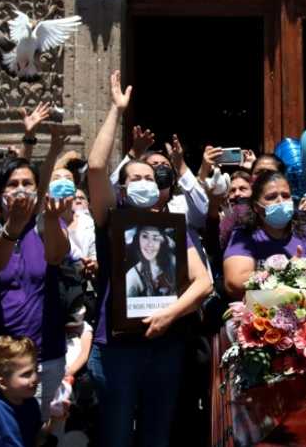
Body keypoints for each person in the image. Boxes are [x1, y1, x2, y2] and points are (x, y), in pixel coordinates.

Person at [85, 71, 214, 446]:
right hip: (118, 349)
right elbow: (95, 168)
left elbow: (203, 282)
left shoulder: (174, 228)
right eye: (134, 177)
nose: (143, 181)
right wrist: (116, 110)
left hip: (165, 345)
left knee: (158, 437)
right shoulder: (111, 220)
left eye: (149, 177)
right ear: (122, 187)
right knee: (117, 436)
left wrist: (170, 314)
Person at [0, 154, 71, 418]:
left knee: (41, 430)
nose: (21, 189)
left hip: (44, 355)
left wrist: (54, 219)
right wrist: (13, 228)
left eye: (27, 183)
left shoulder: (47, 226)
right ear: (0, 193)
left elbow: (56, 256)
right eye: (13, 184)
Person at [222, 170, 306, 297]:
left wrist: (287, 276)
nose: (280, 201)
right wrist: (292, 271)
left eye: (285, 196)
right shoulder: (244, 236)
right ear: (256, 207)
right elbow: (235, 281)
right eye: (271, 197)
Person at [125, 227, 176, 298]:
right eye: (145, 236)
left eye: (155, 238)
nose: (150, 244)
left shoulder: (172, 261)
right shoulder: (132, 278)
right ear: (138, 240)